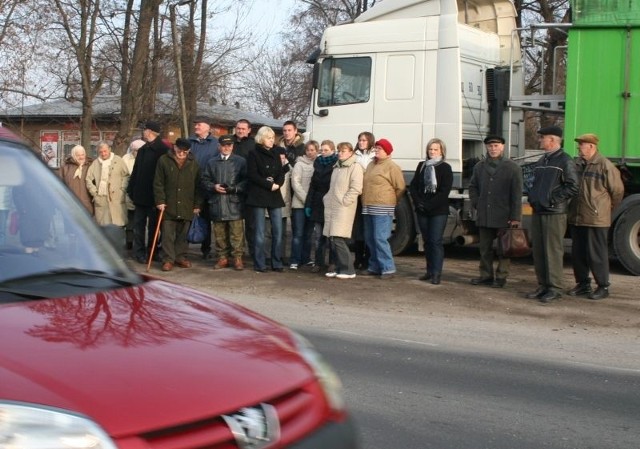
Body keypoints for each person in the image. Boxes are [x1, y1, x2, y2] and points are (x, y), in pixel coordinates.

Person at [567, 133, 624, 300]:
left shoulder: (605, 165)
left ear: (591, 147)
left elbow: (617, 191)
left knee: (596, 254)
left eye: (581, 145)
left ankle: (603, 286)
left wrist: (605, 208)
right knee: (578, 253)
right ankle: (583, 284)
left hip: (595, 219)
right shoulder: (577, 164)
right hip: (577, 216)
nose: (579, 148)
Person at [526, 126, 579, 303]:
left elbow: (572, 185)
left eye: (542, 138)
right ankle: (543, 285)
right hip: (539, 210)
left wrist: (552, 200)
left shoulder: (565, 160)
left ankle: (555, 287)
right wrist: (534, 198)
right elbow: (534, 183)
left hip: (554, 212)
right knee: (539, 251)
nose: (540, 140)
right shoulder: (543, 160)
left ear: (552, 140)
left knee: (552, 250)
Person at [468, 135, 523, 288]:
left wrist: (515, 217)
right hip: (485, 214)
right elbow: (472, 187)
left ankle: (501, 277)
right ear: (486, 147)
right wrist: (477, 203)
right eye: (490, 146)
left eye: (496, 146)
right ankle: (485, 275)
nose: (493, 149)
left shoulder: (513, 167)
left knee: (504, 249)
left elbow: (516, 195)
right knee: (484, 249)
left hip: (504, 215)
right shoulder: (479, 166)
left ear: (503, 147)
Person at [153, 138, 203, 272]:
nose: (181, 154)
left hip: (187, 203)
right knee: (167, 234)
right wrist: (160, 201)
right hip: (168, 204)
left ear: (189, 151)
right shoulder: (163, 160)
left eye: (185, 152)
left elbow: (199, 186)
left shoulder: (194, 163)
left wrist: (197, 204)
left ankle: (180, 257)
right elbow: (158, 183)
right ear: (174, 148)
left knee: (183, 234)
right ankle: (168, 259)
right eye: (179, 151)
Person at [409, 138, 453, 285]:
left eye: (436, 149)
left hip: (438, 210)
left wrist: (429, 205)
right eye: (430, 149)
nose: (432, 152)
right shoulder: (422, 166)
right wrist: (418, 202)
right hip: (422, 210)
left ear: (441, 151)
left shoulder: (445, 167)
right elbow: (414, 186)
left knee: (435, 241)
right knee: (427, 241)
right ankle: (429, 271)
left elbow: (444, 191)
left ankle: (436, 273)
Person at [202, 134, 248, 271]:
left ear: (232, 146)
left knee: (237, 234)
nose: (226, 148)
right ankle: (222, 258)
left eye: (229, 145)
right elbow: (204, 180)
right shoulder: (211, 162)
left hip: (234, 202)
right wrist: (213, 187)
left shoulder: (240, 161)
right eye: (223, 145)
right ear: (219, 146)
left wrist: (235, 189)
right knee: (219, 234)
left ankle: (237, 258)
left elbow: (246, 181)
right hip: (217, 202)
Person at [127, 121, 171, 264]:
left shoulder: (163, 150)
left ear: (150, 131)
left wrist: (162, 197)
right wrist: (131, 190)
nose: (143, 132)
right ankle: (138, 252)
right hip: (140, 195)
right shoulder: (143, 149)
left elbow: (165, 176)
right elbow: (135, 172)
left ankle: (153, 251)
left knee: (154, 228)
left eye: (144, 130)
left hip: (154, 197)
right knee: (138, 226)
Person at [361, 138, 406, 279]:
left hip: (383, 207)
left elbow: (400, 187)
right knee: (369, 238)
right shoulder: (371, 165)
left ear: (387, 152)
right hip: (368, 206)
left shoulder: (392, 167)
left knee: (380, 238)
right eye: (376, 149)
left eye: (380, 149)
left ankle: (388, 268)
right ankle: (374, 266)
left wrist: (391, 200)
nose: (376, 151)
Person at [245, 126, 286, 272]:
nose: (272, 140)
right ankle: (260, 262)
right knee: (260, 232)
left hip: (274, 194)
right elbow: (252, 174)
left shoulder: (276, 153)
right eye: (269, 138)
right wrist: (268, 184)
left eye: (273, 137)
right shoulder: (253, 153)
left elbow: (281, 172)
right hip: (259, 194)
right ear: (262, 138)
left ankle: (276, 262)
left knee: (278, 230)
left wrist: (277, 184)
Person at [323, 142, 364, 279]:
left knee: (338, 237)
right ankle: (340, 267)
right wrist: (327, 198)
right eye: (339, 151)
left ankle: (348, 270)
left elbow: (356, 188)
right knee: (334, 238)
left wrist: (345, 201)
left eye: (344, 151)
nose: (340, 153)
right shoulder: (337, 167)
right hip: (332, 206)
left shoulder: (355, 167)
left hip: (343, 208)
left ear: (351, 152)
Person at [305, 140, 338, 273]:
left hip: (330, 202)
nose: (323, 153)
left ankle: (333, 263)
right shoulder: (317, 163)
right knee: (319, 236)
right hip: (318, 202)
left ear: (332, 150)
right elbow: (312, 185)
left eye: (326, 150)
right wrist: (308, 204)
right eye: (322, 150)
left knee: (331, 236)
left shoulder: (336, 164)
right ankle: (318, 262)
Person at [188, 116, 219, 260]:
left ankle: (206, 249)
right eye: (195, 125)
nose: (196, 127)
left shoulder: (215, 144)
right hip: (190, 185)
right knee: (186, 218)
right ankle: (183, 249)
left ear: (207, 127)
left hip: (207, 187)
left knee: (206, 218)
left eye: (199, 125)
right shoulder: (189, 142)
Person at [290, 140, 318, 269]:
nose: (310, 152)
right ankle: (295, 260)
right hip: (299, 205)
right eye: (308, 150)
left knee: (308, 234)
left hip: (312, 205)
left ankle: (306, 258)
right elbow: (296, 184)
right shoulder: (299, 164)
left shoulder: (318, 164)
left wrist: (311, 202)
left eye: (313, 150)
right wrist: (306, 200)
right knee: (298, 234)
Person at [85, 141, 129, 227]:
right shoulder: (95, 163)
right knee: (104, 227)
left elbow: (126, 175)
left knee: (118, 225)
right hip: (102, 199)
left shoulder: (118, 160)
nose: (103, 154)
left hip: (117, 198)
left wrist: (122, 188)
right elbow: (88, 179)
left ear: (109, 149)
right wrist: (95, 193)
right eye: (100, 152)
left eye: (105, 151)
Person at [233, 119, 257, 257]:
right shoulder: (230, 142)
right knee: (233, 224)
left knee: (251, 224)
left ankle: (253, 252)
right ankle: (235, 253)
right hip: (232, 187)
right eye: (238, 128)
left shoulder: (253, 144)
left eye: (243, 128)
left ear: (249, 130)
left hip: (249, 188)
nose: (240, 131)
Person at [353, 131, 376, 270]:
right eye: (360, 140)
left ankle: (368, 259)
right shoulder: (354, 155)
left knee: (369, 229)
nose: (361, 142)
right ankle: (357, 258)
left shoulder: (375, 156)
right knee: (358, 229)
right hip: (358, 195)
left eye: (364, 140)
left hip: (370, 195)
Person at [122, 138, 145, 249]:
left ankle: (139, 243)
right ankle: (129, 242)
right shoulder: (126, 159)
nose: (135, 152)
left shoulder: (145, 158)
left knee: (140, 221)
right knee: (130, 220)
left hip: (142, 193)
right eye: (134, 150)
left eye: (137, 150)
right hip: (128, 192)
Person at [60, 145, 94, 214]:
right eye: (78, 155)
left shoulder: (91, 166)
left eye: (82, 154)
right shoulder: (66, 167)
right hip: (69, 206)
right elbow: (60, 185)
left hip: (87, 206)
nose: (81, 157)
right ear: (73, 155)